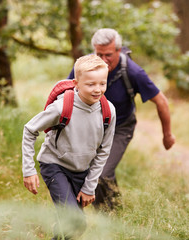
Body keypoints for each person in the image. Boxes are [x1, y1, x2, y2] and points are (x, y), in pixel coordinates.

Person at [67, 28, 176, 211]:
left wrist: (167, 135)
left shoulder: (133, 72)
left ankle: (107, 218)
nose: (102, 60)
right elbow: (66, 92)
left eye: (108, 55)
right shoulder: (85, 66)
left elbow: (161, 102)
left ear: (119, 50)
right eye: (98, 53)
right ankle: (116, 211)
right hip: (93, 127)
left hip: (120, 127)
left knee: (100, 173)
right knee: (94, 170)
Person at [22, 54, 116, 239]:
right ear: (76, 83)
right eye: (90, 84)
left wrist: (90, 186)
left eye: (102, 83)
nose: (97, 89)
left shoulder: (108, 111)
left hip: (82, 170)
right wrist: (28, 170)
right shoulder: (61, 108)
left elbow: (104, 151)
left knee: (73, 227)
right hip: (55, 165)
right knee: (76, 222)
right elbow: (29, 130)